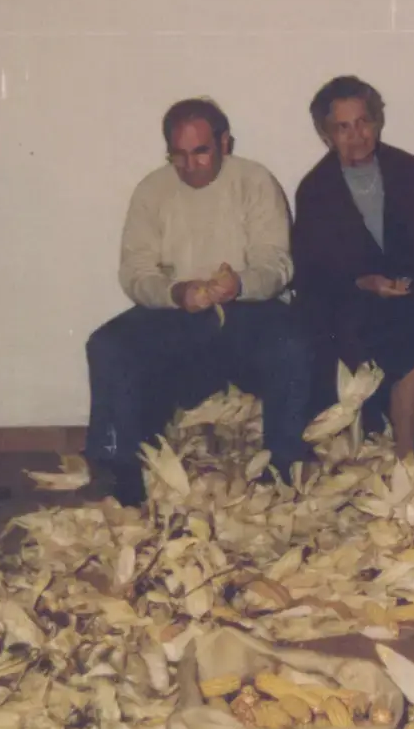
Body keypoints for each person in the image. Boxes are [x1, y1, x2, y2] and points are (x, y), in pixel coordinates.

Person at [86, 98, 310, 504]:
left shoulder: (254, 181)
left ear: (225, 143)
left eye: (201, 152)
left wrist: (240, 284)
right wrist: (175, 293)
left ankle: (283, 470)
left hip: (249, 308)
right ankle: (119, 473)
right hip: (175, 311)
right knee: (107, 346)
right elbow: (135, 272)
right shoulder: (152, 190)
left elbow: (276, 264)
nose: (190, 166)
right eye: (178, 155)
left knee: (293, 344)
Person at [292, 77, 414, 458]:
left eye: (363, 122)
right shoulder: (315, 190)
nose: (357, 135)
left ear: (377, 121)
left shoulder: (406, 169)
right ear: (326, 135)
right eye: (344, 127)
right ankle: (405, 455)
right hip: (349, 305)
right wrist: (363, 282)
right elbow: (309, 275)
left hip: (413, 292)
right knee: (409, 335)